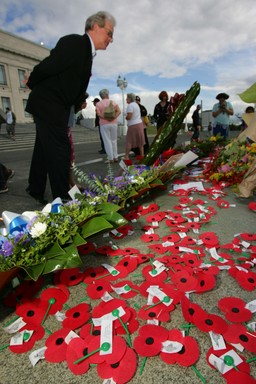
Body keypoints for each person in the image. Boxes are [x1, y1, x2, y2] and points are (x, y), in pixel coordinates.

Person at [25, 11, 116, 203]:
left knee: (43, 149)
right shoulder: (75, 43)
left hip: (54, 105)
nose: (111, 39)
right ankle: (63, 198)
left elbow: (71, 82)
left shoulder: (87, 52)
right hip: (49, 105)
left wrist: (78, 101)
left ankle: (35, 188)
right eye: (109, 33)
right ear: (96, 26)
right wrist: (32, 83)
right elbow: (48, 66)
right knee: (61, 150)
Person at [96, 89, 121, 163]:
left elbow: (98, 114)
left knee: (107, 141)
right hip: (114, 123)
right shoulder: (113, 102)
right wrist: (113, 117)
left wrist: (106, 118)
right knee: (114, 140)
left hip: (104, 124)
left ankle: (110, 158)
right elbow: (119, 111)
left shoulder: (98, 104)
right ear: (107, 95)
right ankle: (116, 157)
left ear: (101, 96)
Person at [124, 93, 145, 160]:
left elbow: (129, 116)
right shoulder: (136, 105)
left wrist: (126, 118)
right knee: (140, 141)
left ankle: (126, 156)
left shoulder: (130, 106)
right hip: (139, 124)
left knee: (129, 141)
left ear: (130, 99)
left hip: (133, 125)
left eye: (127, 98)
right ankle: (142, 155)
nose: (126, 99)